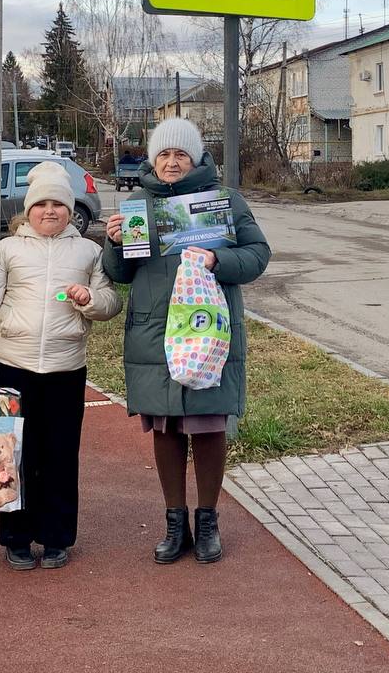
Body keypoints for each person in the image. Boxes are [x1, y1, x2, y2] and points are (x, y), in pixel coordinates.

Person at [102, 118, 270, 565]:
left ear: (195, 158)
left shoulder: (224, 201)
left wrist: (218, 258)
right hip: (155, 331)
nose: (172, 162)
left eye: (180, 154)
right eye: (164, 154)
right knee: (167, 427)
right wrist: (115, 244)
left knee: (209, 424)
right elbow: (121, 274)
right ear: (153, 160)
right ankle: (174, 524)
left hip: (207, 328)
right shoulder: (139, 204)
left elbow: (258, 255)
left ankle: (208, 521)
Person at [0, 161, 122, 571]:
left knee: (60, 454)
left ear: (71, 210)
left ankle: (57, 537)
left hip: (66, 369)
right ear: (28, 209)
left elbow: (111, 303)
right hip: (11, 367)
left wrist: (89, 299)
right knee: (10, 457)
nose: (49, 211)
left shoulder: (90, 251)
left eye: (58, 204)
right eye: (41, 204)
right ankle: (15, 537)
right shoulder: (7, 250)